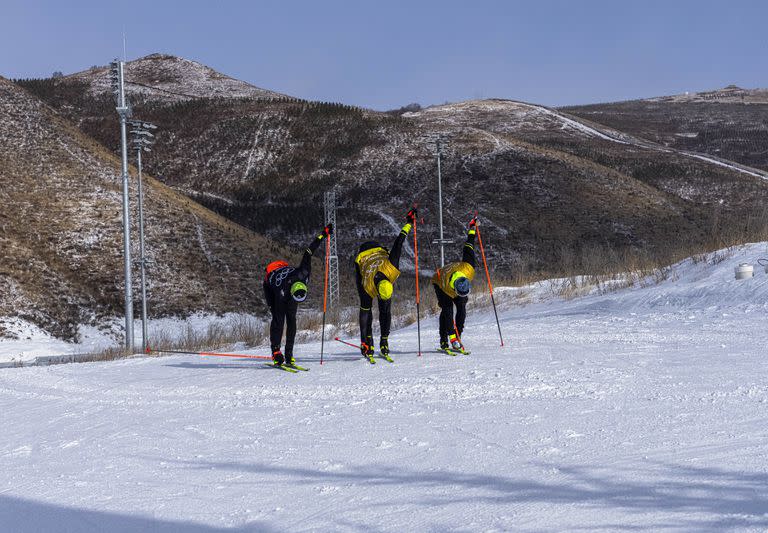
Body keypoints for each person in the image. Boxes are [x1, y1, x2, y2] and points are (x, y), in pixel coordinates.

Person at [263, 224, 332, 367]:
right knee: (278, 319)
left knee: (292, 320)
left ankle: (289, 354)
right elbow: (277, 320)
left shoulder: (304, 272)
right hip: (271, 288)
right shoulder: (280, 288)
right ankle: (276, 352)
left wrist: (323, 235)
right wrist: (276, 352)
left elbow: (309, 251)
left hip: (289, 290)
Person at [354, 208, 416, 361]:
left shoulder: (391, 267)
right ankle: (369, 340)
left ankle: (384, 340)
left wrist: (409, 223)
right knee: (366, 309)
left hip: (379, 250)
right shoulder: (367, 286)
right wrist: (363, 341)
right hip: (363, 256)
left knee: (385, 310)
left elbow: (399, 242)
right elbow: (363, 315)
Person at [432, 216, 477, 352]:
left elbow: (469, 245)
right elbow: (448, 314)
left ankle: (458, 336)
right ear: (455, 289)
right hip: (439, 282)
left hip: (457, 275)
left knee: (462, 308)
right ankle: (445, 340)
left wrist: (472, 229)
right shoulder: (445, 286)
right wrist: (452, 337)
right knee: (447, 311)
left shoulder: (468, 268)